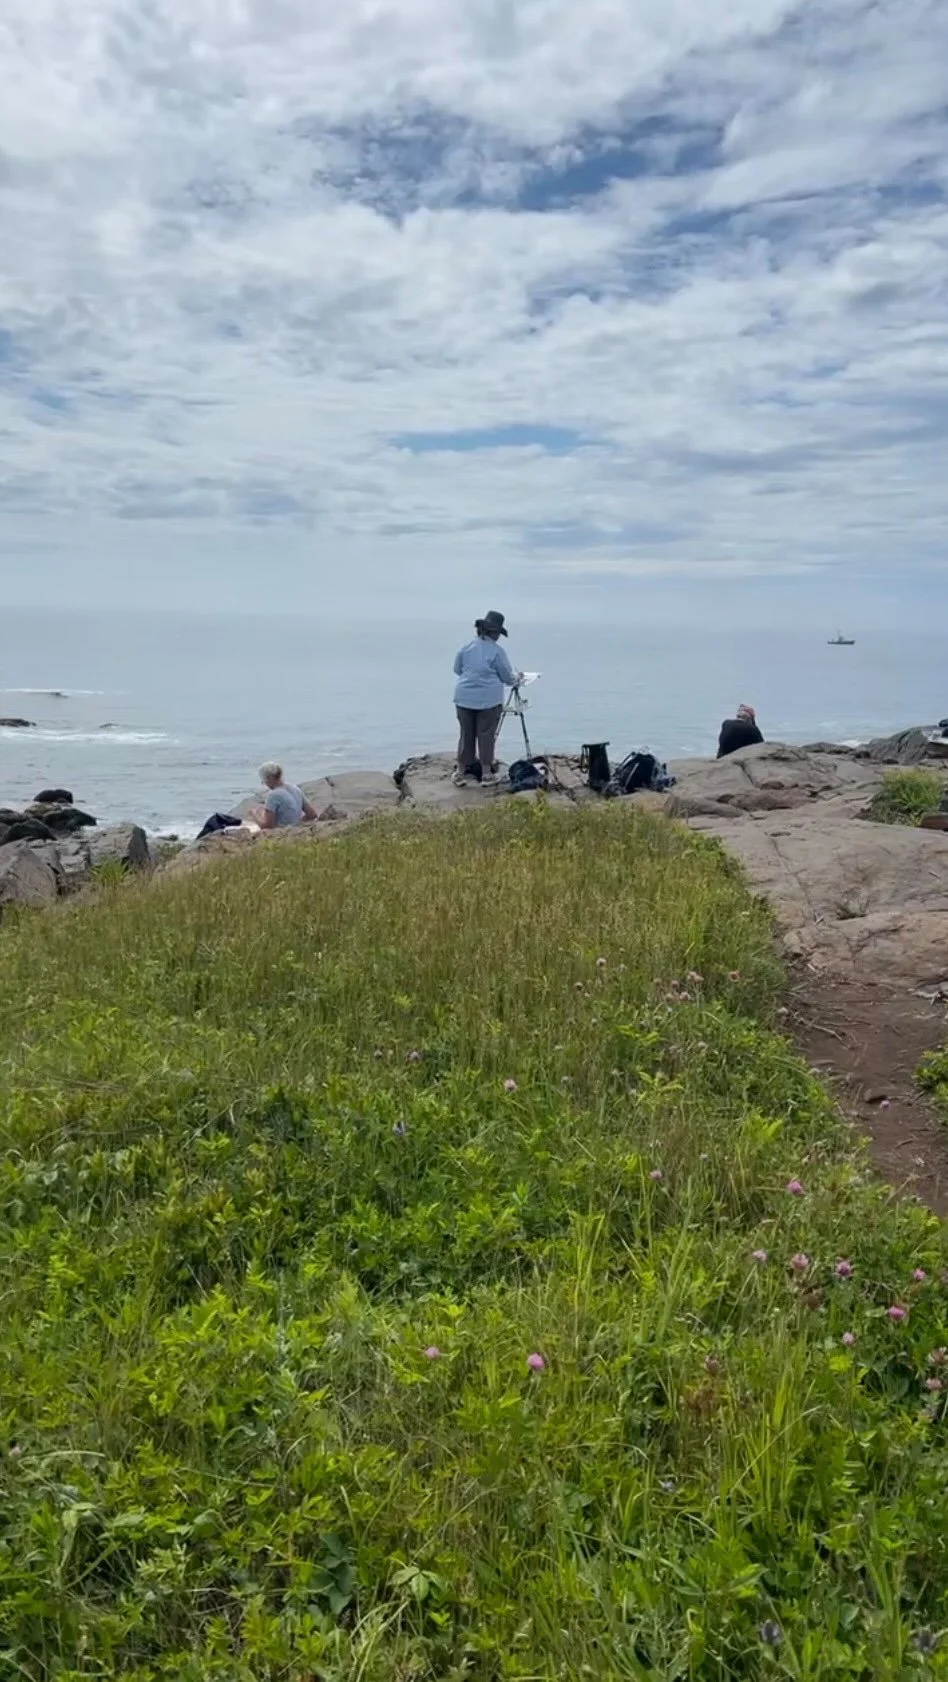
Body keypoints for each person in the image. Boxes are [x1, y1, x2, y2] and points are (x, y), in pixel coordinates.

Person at [452, 611, 522, 786]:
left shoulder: (466, 647)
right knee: (486, 735)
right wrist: (518, 679)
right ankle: (486, 774)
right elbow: (507, 677)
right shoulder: (497, 651)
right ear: (495, 632)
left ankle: (460, 772)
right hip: (488, 701)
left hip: (464, 697)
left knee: (466, 734)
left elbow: (457, 669)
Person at [252, 762, 318, 828]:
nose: (265, 784)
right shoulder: (296, 789)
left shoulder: (273, 795)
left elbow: (268, 826)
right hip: (296, 828)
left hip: (282, 830)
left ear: (270, 778)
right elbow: (312, 815)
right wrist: (298, 823)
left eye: (264, 781)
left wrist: (254, 815)